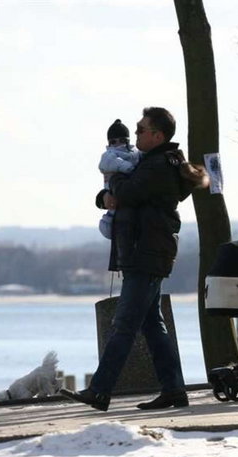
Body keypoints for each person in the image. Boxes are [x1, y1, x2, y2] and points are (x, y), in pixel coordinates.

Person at [61, 107, 208, 412]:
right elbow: (121, 197)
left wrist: (112, 180)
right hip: (146, 253)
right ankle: (174, 390)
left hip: (145, 255)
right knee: (153, 325)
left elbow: (127, 192)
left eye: (141, 130)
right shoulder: (155, 163)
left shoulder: (156, 167)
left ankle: (100, 391)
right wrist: (105, 197)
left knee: (124, 324)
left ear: (158, 135)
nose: (135, 134)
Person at [98, 119, 141, 239]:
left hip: (127, 203)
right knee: (110, 218)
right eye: (113, 141)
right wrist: (129, 168)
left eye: (122, 140)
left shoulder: (136, 154)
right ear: (109, 143)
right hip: (113, 196)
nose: (118, 144)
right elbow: (112, 163)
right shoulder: (108, 156)